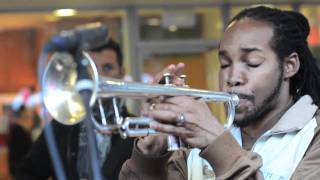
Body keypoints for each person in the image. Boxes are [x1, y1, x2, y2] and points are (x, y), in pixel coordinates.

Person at [119, 6, 320, 180]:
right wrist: (149, 154)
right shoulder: (191, 143)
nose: (232, 77)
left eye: (252, 63)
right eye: (224, 64)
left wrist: (217, 146)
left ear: (289, 66)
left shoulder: (313, 135)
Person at [15, 39, 135, 180]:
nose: (99, 78)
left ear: (122, 73)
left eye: (108, 67)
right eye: (92, 69)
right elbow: (26, 172)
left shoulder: (136, 128)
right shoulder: (61, 125)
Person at [7, 105, 34, 178]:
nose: (30, 115)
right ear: (23, 114)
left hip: (22, 169)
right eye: (28, 113)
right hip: (21, 170)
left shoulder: (22, 129)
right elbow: (21, 152)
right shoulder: (17, 130)